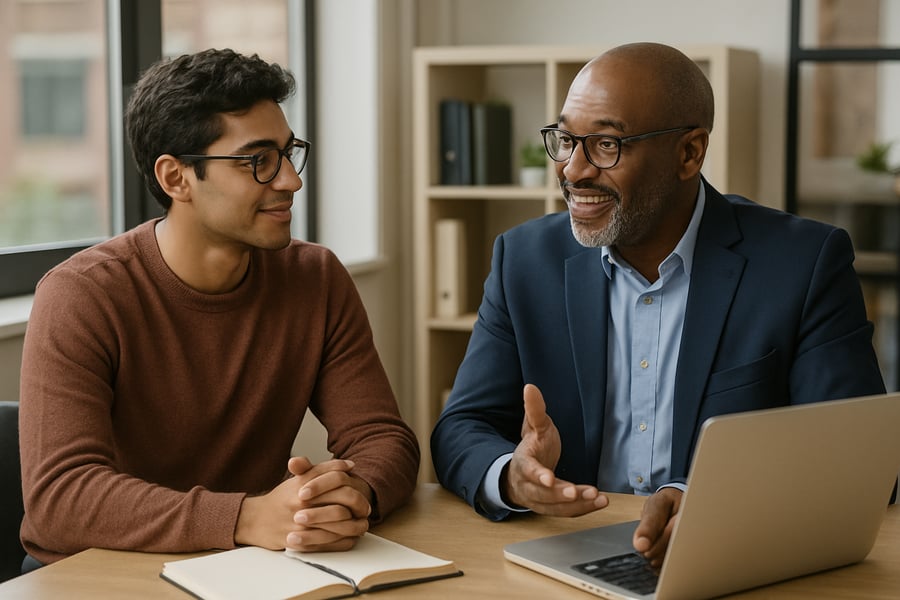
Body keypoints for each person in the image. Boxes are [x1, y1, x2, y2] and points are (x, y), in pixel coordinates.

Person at [430, 42, 886, 567]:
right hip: (562, 560)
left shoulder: (803, 265)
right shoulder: (524, 261)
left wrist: (709, 502)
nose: (573, 170)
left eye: (605, 144)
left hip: (731, 560)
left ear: (689, 153)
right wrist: (513, 476)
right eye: (566, 140)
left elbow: (854, 464)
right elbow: (461, 428)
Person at [18, 48, 419, 567]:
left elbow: (382, 437)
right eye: (258, 161)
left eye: (287, 152)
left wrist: (348, 495)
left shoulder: (314, 278)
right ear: (175, 178)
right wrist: (246, 518)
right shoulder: (81, 295)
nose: (290, 182)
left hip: (248, 565)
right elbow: (61, 499)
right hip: (94, 572)